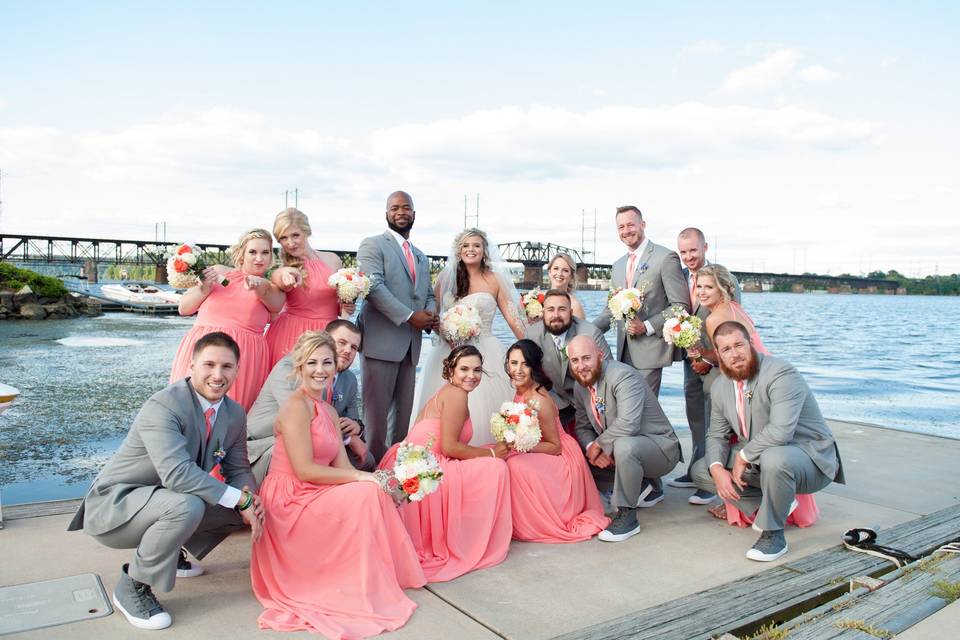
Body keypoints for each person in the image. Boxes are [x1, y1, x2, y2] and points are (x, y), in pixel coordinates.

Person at [68, 332, 263, 630]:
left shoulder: (234, 413)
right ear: (192, 366)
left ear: (237, 370)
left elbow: (238, 468)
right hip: (117, 505)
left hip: (167, 498)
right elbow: (177, 474)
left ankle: (169, 552)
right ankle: (133, 584)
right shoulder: (164, 406)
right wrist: (239, 498)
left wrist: (249, 495)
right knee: (189, 505)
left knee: (243, 501)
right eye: (209, 364)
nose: (217, 374)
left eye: (227, 367)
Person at [251, 331, 426, 636]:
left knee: (373, 491)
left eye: (327, 362)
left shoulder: (328, 411)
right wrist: (366, 477)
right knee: (366, 489)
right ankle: (355, 577)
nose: (320, 369)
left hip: (314, 490)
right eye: (313, 363)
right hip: (289, 497)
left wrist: (383, 481)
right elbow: (305, 470)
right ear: (300, 366)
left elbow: (342, 467)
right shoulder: (295, 407)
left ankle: (365, 575)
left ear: (336, 367)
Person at [691, 321, 845, 562]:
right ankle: (772, 504)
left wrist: (743, 456)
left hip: (809, 458)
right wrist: (718, 469)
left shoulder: (781, 373)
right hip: (762, 459)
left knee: (775, 458)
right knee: (702, 469)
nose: (735, 354)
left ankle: (773, 535)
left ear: (751, 344)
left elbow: (781, 430)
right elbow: (716, 435)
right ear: (718, 355)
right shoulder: (721, 386)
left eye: (739, 345)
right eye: (726, 349)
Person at [379, 345, 512, 582]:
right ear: (450, 370)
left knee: (489, 453)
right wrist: (491, 456)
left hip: (413, 460)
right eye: (464, 369)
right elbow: (450, 448)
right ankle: (470, 538)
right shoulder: (456, 395)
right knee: (496, 468)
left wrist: (489, 450)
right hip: (425, 470)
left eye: (477, 370)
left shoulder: (447, 391)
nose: (471, 375)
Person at [415, 228, 526, 445]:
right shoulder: (446, 278)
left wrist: (529, 348)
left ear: (484, 251)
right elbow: (433, 317)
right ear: (458, 251)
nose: (471, 249)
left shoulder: (494, 280)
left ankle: (484, 453)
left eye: (476, 245)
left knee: (485, 409)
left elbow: (513, 318)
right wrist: (448, 334)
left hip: (486, 349)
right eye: (466, 245)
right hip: (449, 352)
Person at [567, 335, 681, 542]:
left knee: (624, 446)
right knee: (575, 454)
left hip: (661, 450)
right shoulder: (580, 386)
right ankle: (648, 487)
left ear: (600, 356)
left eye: (586, 358)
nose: (581, 366)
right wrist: (592, 446)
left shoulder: (622, 376)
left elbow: (629, 423)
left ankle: (627, 516)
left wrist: (600, 445)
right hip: (622, 447)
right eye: (575, 360)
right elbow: (583, 427)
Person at [357, 191, 438, 460]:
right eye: (395, 208)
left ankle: (397, 471)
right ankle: (371, 475)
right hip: (381, 343)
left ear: (414, 215)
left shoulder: (421, 256)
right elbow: (374, 287)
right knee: (376, 420)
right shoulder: (373, 245)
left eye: (406, 208)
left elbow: (427, 293)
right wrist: (408, 316)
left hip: (411, 346)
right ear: (387, 214)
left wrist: (430, 314)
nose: (401, 212)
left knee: (402, 421)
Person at [503, 340, 609, 542]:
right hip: (538, 447)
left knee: (514, 464)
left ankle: (535, 521)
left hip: (562, 456)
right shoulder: (521, 390)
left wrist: (520, 445)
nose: (518, 370)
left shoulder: (538, 399)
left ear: (534, 367)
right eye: (513, 363)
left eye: (525, 364)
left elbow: (555, 446)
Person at [246, 321, 375, 486]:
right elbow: (305, 422)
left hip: (318, 442)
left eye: (354, 347)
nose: (348, 351)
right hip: (264, 445)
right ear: (326, 340)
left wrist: (356, 428)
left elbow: (354, 420)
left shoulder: (349, 379)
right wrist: (349, 440)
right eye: (341, 343)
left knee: (366, 459)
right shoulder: (291, 369)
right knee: (314, 456)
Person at [169, 229, 284, 410]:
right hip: (204, 347)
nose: (259, 258)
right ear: (242, 255)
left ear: (271, 257)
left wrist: (258, 286)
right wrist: (204, 288)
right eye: (252, 252)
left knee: (228, 417)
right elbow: (184, 308)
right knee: (187, 411)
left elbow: (276, 307)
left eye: (265, 252)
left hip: (243, 357)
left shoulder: (272, 289)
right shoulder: (218, 273)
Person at [668, 228, 741, 506]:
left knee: (716, 421)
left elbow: (733, 326)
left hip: (716, 363)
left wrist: (708, 358)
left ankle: (709, 482)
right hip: (691, 361)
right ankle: (695, 469)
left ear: (705, 247)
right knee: (696, 415)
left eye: (693, 251)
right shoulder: (683, 278)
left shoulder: (724, 277)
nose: (688, 257)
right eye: (683, 252)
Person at [592, 206, 690, 396]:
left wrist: (646, 326)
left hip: (650, 351)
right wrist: (584, 332)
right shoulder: (618, 265)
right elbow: (609, 311)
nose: (626, 231)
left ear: (642, 225)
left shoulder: (665, 257)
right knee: (627, 407)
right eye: (621, 227)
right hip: (622, 352)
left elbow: (680, 306)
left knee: (644, 410)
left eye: (631, 224)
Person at [264, 208, 354, 365]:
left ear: (307, 232)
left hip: (326, 333)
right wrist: (285, 276)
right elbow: (278, 278)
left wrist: (346, 305)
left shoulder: (333, 260)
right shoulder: (284, 268)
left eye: (295, 235)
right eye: (283, 238)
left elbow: (339, 305)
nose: (290, 243)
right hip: (291, 335)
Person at [523, 289, 612, 432]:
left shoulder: (591, 333)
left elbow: (608, 373)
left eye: (562, 309)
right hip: (555, 401)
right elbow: (529, 373)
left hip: (589, 402)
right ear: (543, 313)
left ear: (571, 312)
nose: (556, 315)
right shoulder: (532, 334)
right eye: (550, 310)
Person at [546, 253, 585, 319]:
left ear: (571, 276)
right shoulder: (538, 299)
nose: (559, 273)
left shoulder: (574, 306)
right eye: (556, 268)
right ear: (549, 272)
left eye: (565, 271)